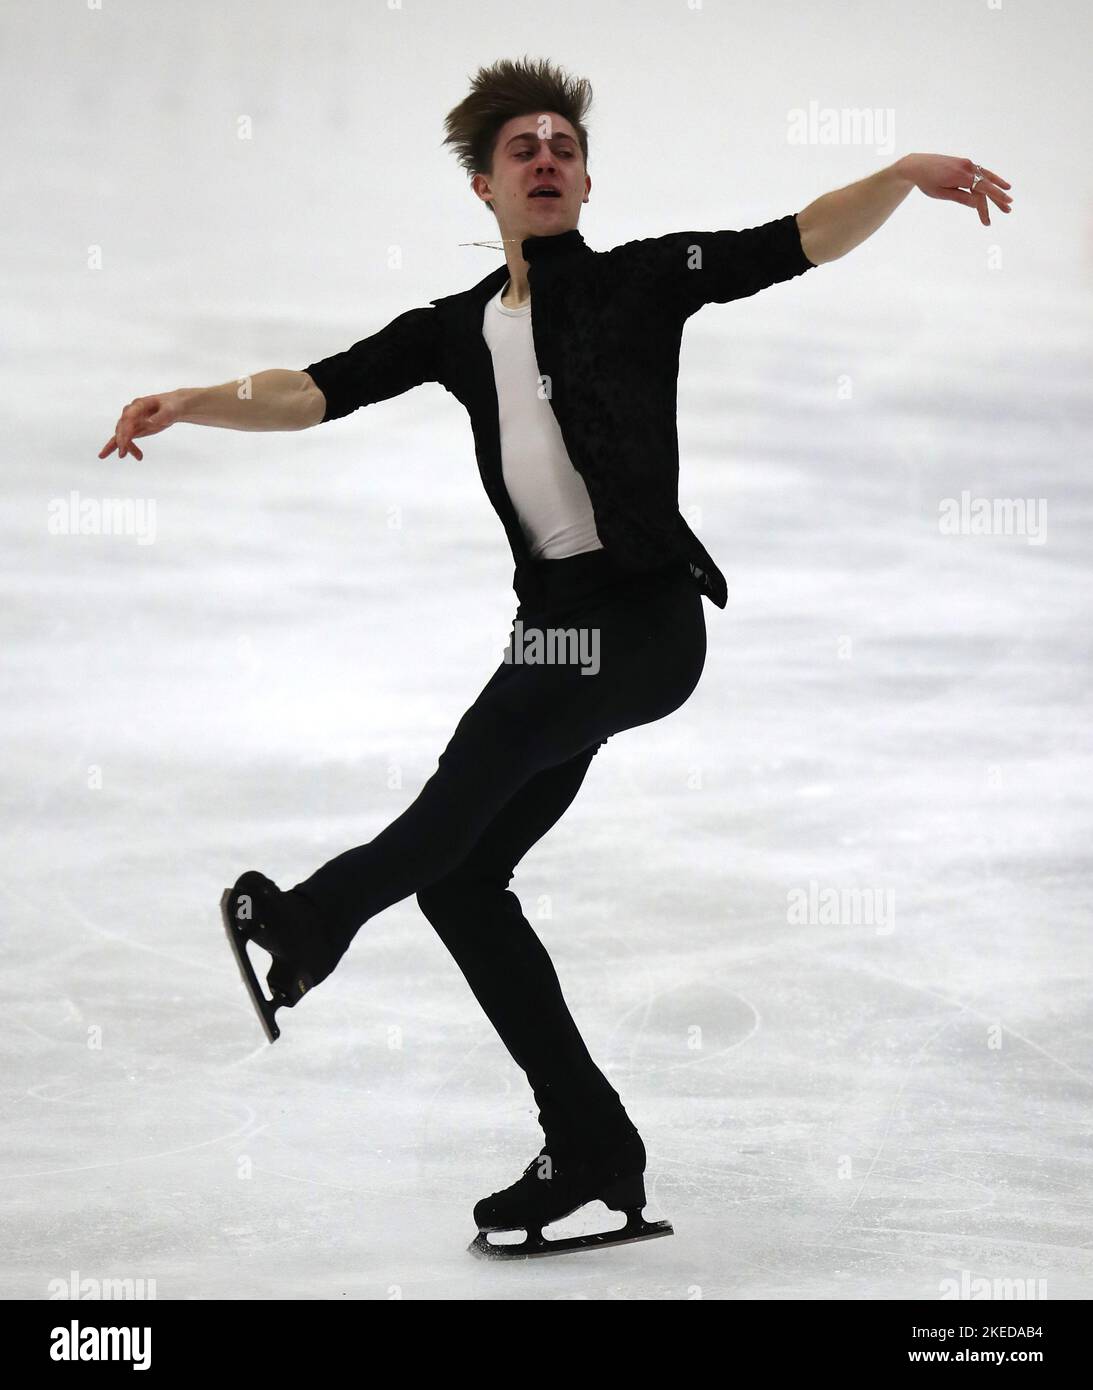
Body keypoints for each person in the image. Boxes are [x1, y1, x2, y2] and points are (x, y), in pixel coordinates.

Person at [99, 57, 1011, 1255]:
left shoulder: (642, 282)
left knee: (463, 786)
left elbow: (792, 241)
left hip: (637, 621)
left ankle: (311, 922)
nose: (544, 161)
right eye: (521, 150)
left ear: (584, 181)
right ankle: (592, 1148)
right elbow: (315, 388)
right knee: (463, 876)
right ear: (483, 187)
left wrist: (897, 172)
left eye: (562, 149)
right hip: (555, 631)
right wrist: (192, 397)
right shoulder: (453, 330)